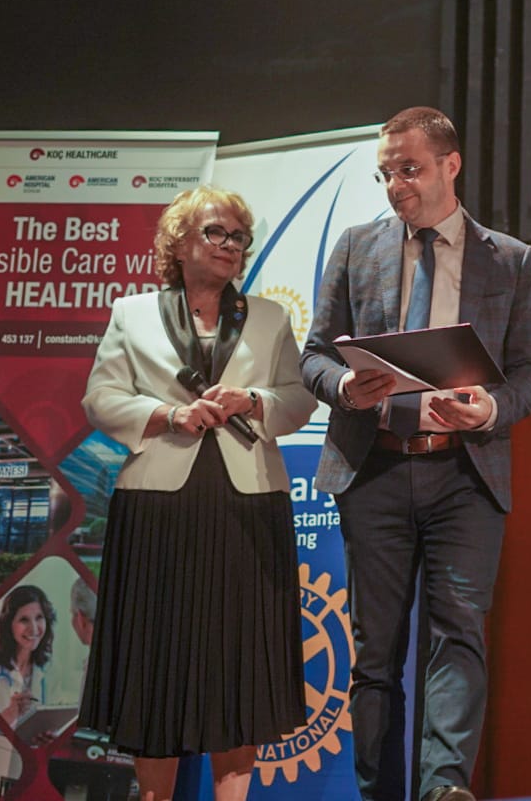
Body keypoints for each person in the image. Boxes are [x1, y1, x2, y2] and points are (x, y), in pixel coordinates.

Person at [301, 106, 531, 801]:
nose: (396, 186)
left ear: (451, 165)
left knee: (460, 635)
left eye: (409, 170)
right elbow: (314, 356)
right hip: (374, 468)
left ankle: (444, 789)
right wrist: (345, 387)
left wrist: (491, 408)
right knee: (374, 654)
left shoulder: (511, 259)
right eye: (386, 173)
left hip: (466, 475)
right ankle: (379, 793)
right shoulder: (356, 246)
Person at [79, 186, 318, 801]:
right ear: (178, 243)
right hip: (158, 506)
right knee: (155, 659)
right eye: (216, 232)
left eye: (239, 236)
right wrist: (167, 414)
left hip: (249, 503)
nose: (230, 245)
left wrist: (253, 400)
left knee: (240, 665)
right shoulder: (131, 312)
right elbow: (100, 398)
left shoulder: (269, 317)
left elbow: (299, 399)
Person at [0, 584, 56, 728]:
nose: (34, 628)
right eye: (24, 620)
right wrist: (9, 714)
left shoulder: (48, 667)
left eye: (39, 617)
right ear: (9, 624)